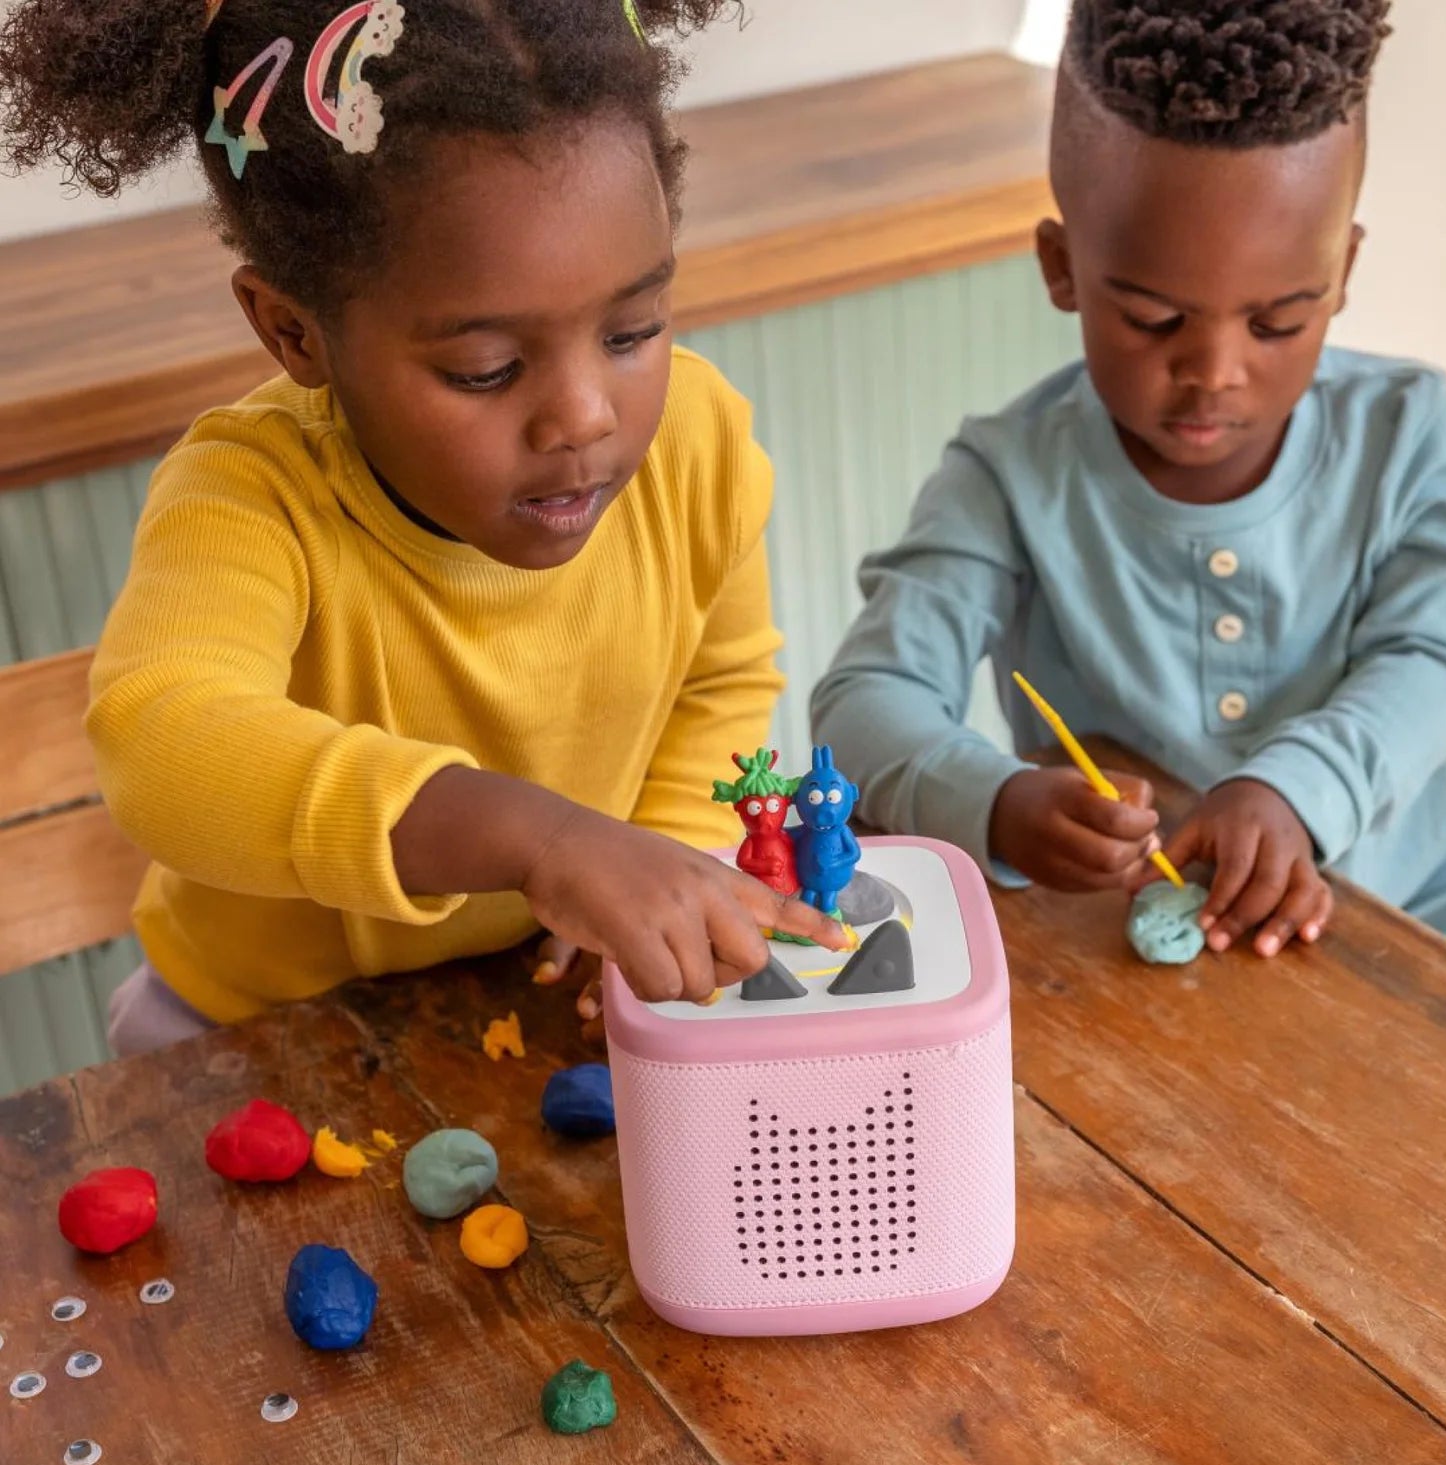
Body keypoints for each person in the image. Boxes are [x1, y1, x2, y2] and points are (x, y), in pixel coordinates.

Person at [0, 0, 846, 1054]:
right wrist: (535, 837)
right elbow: (163, 744)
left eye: (633, 331)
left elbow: (719, 684)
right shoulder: (249, 496)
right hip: (253, 1035)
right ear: (294, 332)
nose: (585, 416)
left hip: (530, 995)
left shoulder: (699, 444)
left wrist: (658, 860)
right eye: (485, 370)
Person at [812, 0, 1446, 966]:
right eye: (1153, 319)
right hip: (1119, 935)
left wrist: (1296, 790)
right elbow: (864, 697)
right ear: (1062, 268)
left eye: (1276, 324)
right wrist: (997, 801)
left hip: (1411, 897)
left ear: (1342, 271)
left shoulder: (1408, 432)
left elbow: (1438, 657)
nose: (1213, 372)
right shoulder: (1006, 477)